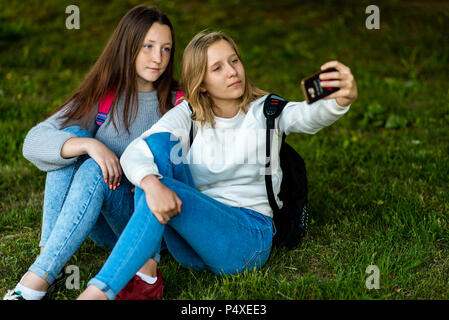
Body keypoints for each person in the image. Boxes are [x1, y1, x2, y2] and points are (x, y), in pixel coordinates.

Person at [77, 30, 358, 300]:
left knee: (155, 180)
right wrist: (150, 183)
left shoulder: (267, 111)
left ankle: (101, 291)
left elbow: (307, 116)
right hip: (192, 246)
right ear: (201, 83)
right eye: (218, 68)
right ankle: (146, 272)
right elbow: (137, 150)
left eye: (234, 60)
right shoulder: (188, 115)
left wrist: (338, 101)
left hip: (246, 239)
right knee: (158, 151)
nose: (232, 71)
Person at [3, 5, 179, 300]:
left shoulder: (176, 102)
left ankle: (39, 278)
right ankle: (50, 255)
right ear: (128, 45)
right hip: (104, 223)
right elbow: (33, 142)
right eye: (148, 46)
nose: (157, 58)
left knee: (90, 165)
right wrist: (90, 145)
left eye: (166, 49)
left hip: (149, 223)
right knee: (72, 138)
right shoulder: (104, 96)